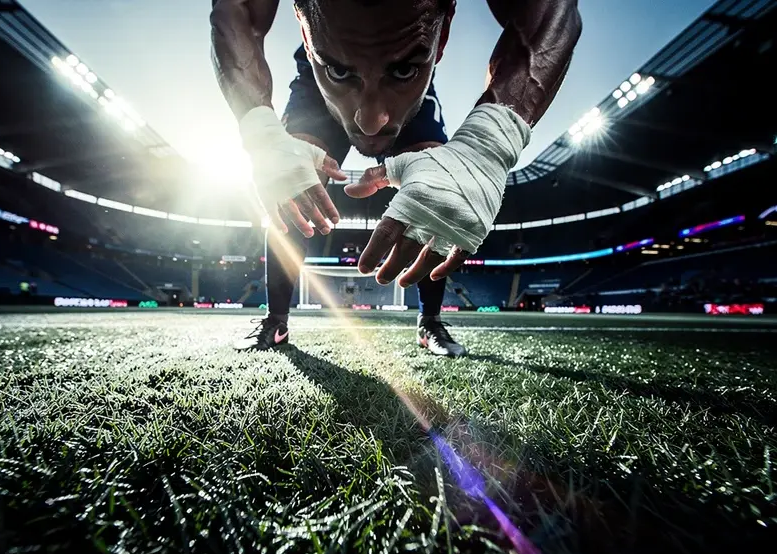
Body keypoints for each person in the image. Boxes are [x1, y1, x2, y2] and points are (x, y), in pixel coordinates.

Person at [211, 0, 581, 354]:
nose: (370, 123)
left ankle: (430, 321)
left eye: (404, 69)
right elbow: (235, 10)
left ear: (443, 33)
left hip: (353, 76)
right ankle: (276, 319)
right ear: (306, 35)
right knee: (291, 189)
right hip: (314, 85)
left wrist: (492, 140)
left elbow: (553, 9)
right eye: (339, 71)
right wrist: (260, 131)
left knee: (435, 190)